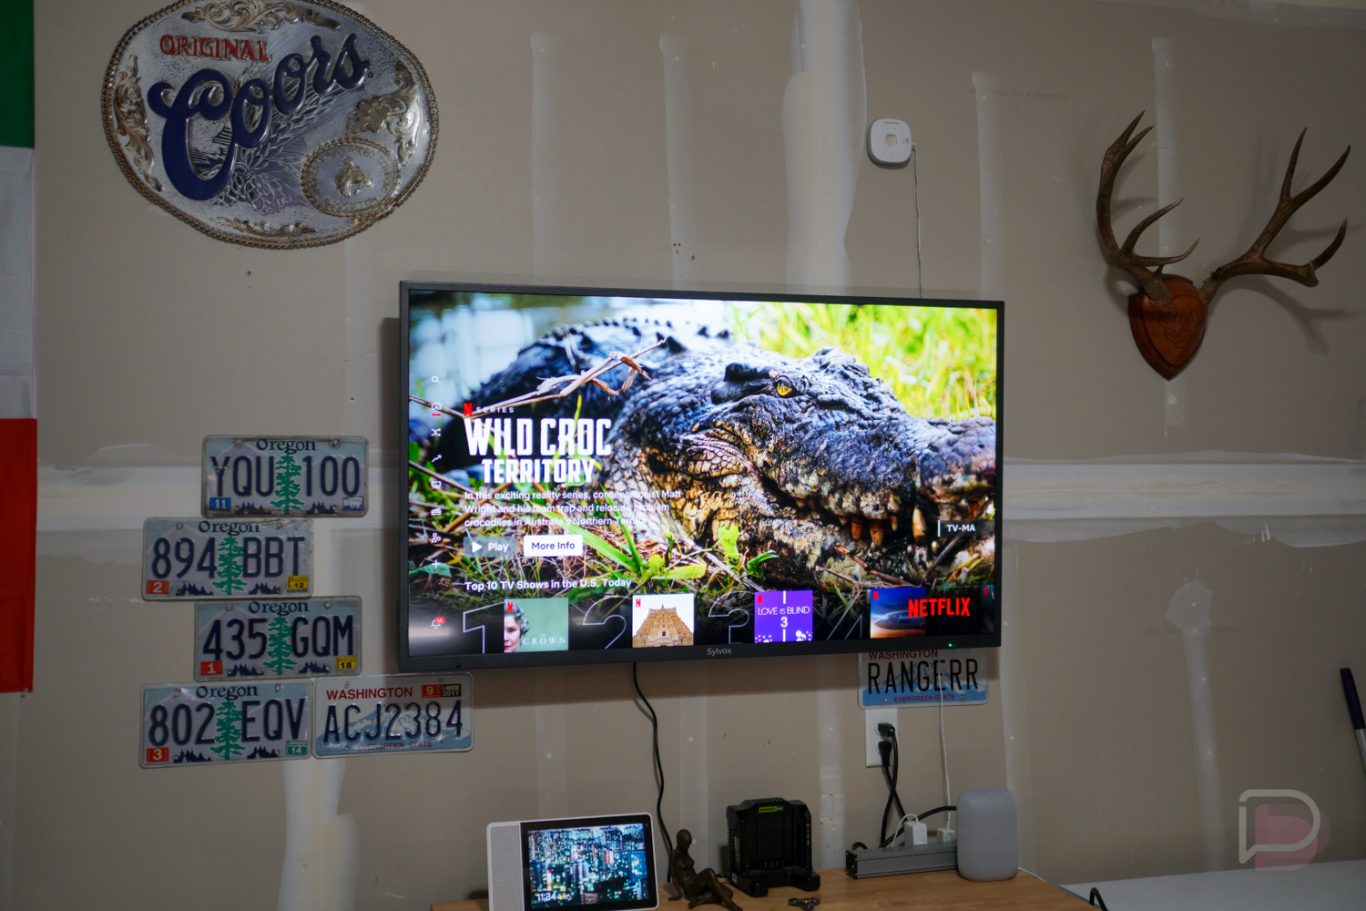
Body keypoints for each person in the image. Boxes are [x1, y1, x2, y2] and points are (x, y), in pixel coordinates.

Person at [668, 829, 741, 911]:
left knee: (729, 893)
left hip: (697, 884)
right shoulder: (674, 854)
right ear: (680, 842)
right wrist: (680, 893)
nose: (688, 846)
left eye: (689, 844)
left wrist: (704, 881)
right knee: (709, 872)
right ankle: (730, 904)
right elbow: (673, 877)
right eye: (686, 844)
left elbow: (691, 871)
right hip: (690, 890)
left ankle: (699, 900)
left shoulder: (685, 851)